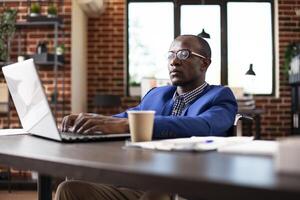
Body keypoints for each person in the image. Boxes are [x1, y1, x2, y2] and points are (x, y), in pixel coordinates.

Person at [55, 35, 237, 200]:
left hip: (182, 186)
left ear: (204, 63)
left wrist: (131, 126)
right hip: (139, 176)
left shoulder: (219, 96)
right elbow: (124, 117)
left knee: (156, 196)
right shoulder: (157, 95)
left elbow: (204, 125)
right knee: (69, 187)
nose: (174, 61)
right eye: (170, 55)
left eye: (183, 54)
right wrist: (91, 121)